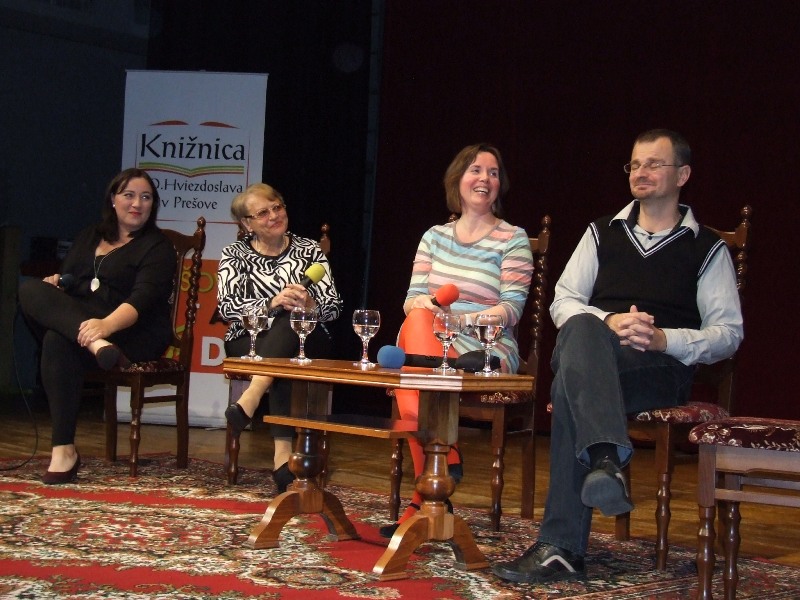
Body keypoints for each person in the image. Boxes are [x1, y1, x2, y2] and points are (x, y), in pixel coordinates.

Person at [492, 129, 744, 584]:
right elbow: (563, 301)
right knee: (581, 328)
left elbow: (728, 334)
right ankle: (607, 460)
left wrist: (664, 339)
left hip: (660, 368)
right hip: (597, 355)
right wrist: (609, 321)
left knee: (569, 382)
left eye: (653, 164)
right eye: (634, 164)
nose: (640, 172)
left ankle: (563, 545)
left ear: (683, 175)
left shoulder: (707, 247)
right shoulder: (601, 231)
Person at [379, 143, 533, 538]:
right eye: (476, 170)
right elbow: (412, 299)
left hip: (485, 347)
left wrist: (458, 320)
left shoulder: (513, 238)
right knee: (417, 322)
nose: (485, 179)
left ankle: (425, 492)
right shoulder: (434, 237)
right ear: (457, 180)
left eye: (493, 172)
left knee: (409, 367)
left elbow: (511, 309)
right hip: (432, 340)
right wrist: (429, 309)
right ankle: (440, 468)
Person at [18, 168, 176, 484]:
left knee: (57, 339)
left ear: (153, 205)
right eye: (129, 195)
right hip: (94, 335)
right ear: (113, 200)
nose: (137, 204)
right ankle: (64, 450)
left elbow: (140, 302)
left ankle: (64, 452)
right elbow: (71, 279)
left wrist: (105, 326)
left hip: (133, 333)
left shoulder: (158, 248)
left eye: (146, 197)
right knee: (31, 289)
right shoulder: (90, 235)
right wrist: (58, 284)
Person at [217, 183, 342, 493]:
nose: (274, 215)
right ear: (246, 223)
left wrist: (310, 305)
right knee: (286, 338)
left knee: (292, 323)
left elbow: (334, 308)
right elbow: (227, 307)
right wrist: (272, 302)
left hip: (308, 336)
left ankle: (253, 396)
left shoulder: (309, 250)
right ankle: (282, 455)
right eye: (263, 213)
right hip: (249, 336)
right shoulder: (235, 254)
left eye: (277, 207)